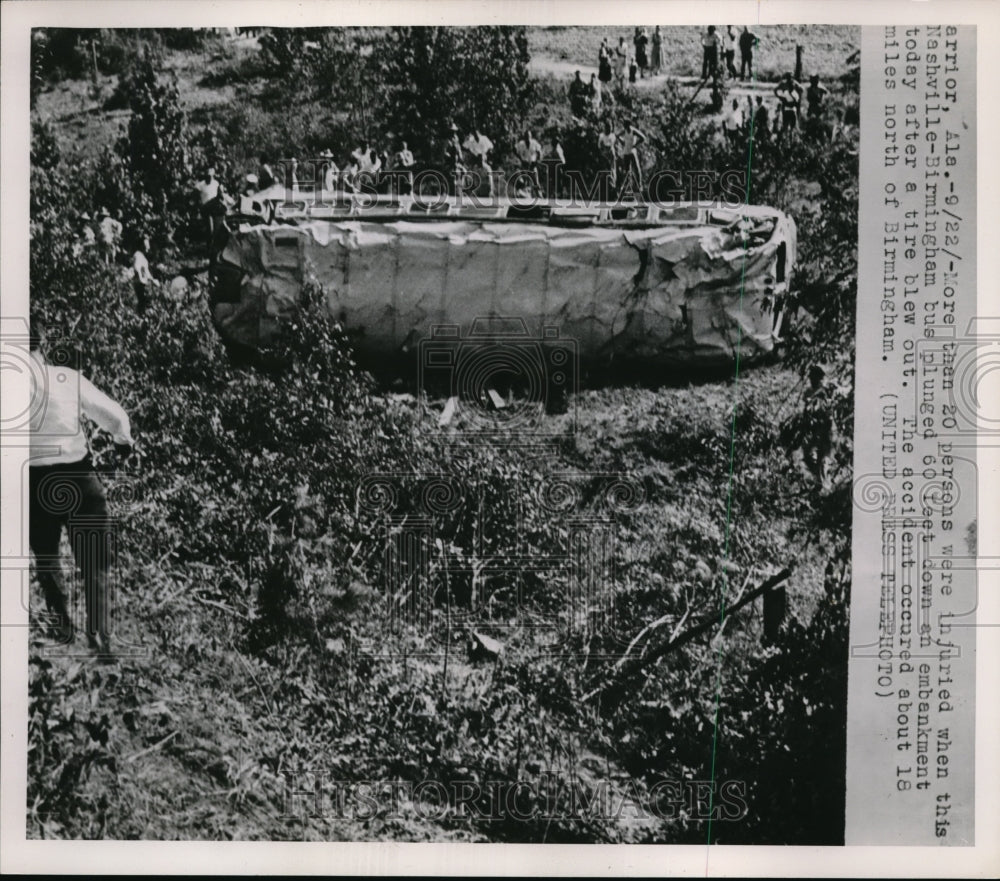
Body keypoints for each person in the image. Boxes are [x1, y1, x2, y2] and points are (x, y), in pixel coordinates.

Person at [28, 322, 135, 655]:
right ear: (40, 341)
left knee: (46, 558)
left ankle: (62, 628)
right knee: (94, 561)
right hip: (79, 478)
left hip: (35, 482)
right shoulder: (66, 379)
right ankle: (100, 636)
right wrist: (123, 444)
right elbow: (115, 418)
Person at [462, 127, 495, 195]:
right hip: (475, 158)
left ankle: (491, 190)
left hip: (482, 157)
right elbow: (464, 146)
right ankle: (469, 189)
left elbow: (491, 148)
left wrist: (486, 155)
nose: (475, 135)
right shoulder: (471, 140)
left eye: (476, 133)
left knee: (488, 169)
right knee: (470, 170)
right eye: (474, 134)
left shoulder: (484, 138)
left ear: (478, 133)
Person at [617, 119, 647, 193]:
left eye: (625, 124)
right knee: (627, 170)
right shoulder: (624, 131)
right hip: (626, 152)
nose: (624, 126)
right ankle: (628, 186)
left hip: (632, 152)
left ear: (629, 124)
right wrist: (623, 142)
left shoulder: (633, 131)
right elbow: (617, 136)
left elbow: (643, 138)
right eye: (624, 125)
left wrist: (635, 145)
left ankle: (639, 185)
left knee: (636, 169)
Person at [774, 72, 803, 138]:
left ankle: (787, 137)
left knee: (791, 125)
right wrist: (780, 97)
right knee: (787, 124)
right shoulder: (784, 84)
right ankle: (786, 137)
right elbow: (775, 90)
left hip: (790, 106)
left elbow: (801, 89)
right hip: (787, 106)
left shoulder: (794, 83)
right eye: (788, 77)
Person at [515, 129, 543, 194]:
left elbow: (539, 152)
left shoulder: (534, 143)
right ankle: (522, 194)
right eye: (526, 136)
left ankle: (539, 196)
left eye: (529, 136)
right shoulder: (521, 144)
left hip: (532, 164)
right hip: (524, 164)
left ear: (531, 136)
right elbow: (515, 150)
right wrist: (520, 159)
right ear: (524, 137)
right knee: (522, 181)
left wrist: (537, 161)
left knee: (536, 182)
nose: (527, 137)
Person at [131, 237, 155, 312]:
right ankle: (140, 317)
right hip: (140, 283)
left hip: (142, 283)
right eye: (146, 245)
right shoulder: (138, 255)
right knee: (142, 302)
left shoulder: (142, 256)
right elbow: (136, 267)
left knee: (144, 302)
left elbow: (146, 271)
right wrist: (141, 280)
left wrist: (152, 279)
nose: (148, 246)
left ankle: (141, 317)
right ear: (142, 245)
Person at [597, 119, 618, 196]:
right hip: (603, 155)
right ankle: (603, 190)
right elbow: (599, 145)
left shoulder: (612, 136)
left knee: (612, 171)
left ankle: (612, 188)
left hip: (610, 155)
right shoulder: (601, 136)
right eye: (607, 127)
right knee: (603, 172)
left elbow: (610, 145)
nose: (609, 128)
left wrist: (606, 150)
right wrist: (603, 151)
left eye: (610, 127)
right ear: (605, 128)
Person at [542, 134, 566, 200]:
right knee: (549, 180)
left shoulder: (559, 149)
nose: (555, 144)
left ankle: (559, 193)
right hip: (549, 167)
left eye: (557, 142)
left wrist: (558, 162)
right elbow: (543, 157)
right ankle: (549, 193)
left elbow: (563, 161)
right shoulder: (547, 147)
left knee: (559, 179)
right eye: (554, 142)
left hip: (557, 167)